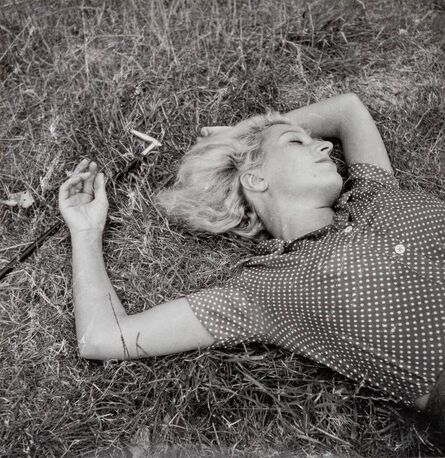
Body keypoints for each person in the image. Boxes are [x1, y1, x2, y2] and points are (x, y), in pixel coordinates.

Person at [58, 93, 444, 433]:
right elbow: (104, 337)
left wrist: (243, 133)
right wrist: (86, 232)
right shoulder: (265, 289)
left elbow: (348, 110)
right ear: (255, 179)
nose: (325, 148)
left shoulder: (374, 193)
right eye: (298, 142)